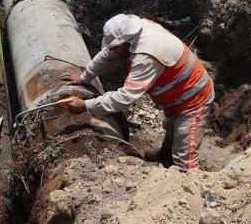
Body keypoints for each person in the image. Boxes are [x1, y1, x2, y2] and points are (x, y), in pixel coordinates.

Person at [59, 14, 214, 171]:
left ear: (126, 41)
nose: (111, 49)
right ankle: (166, 156)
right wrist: (85, 76)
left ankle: (189, 182)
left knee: (185, 148)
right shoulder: (133, 32)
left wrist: (85, 105)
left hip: (194, 97)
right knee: (172, 125)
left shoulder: (147, 55)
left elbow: (125, 97)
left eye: (115, 46)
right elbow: (109, 54)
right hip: (176, 96)